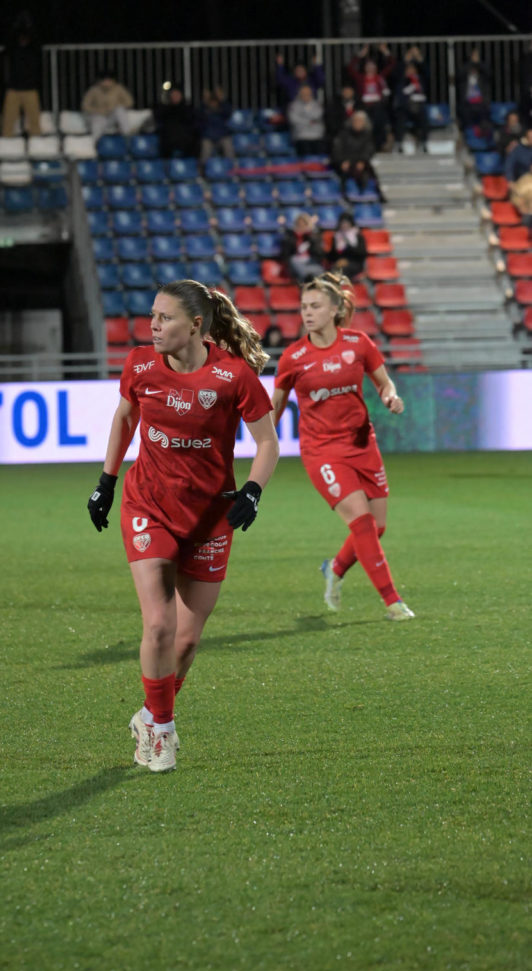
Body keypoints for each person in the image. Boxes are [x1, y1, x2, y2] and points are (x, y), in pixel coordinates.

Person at [87, 279, 279, 772]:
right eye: (152, 316)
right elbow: (125, 418)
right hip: (148, 505)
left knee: (187, 641)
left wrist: (253, 491)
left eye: (164, 318)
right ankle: (163, 732)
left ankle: (150, 714)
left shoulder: (233, 376)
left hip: (210, 517)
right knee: (159, 624)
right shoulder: (139, 364)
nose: (152, 326)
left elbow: (268, 442)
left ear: (195, 325)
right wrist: (107, 482)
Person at [271, 272, 414, 622]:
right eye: (304, 307)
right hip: (322, 452)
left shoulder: (358, 343)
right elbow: (274, 407)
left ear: (335, 310)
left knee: (377, 526)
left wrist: (390, 397)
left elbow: (384, 383)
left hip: (363, 444)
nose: (307, 313)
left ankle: (334, 568)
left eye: (315, 306)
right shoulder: (293, 357)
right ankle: (393, 602)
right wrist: (263, 444)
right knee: (362, 523)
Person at [1, 12, 42, 137]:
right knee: (8, 120)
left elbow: (37, 40)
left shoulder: (33, 49)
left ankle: (36, 141)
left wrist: (29, 26)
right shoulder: (13, 49)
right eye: (21, 37)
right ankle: (6, 140)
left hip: (30, 89)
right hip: (13, 89)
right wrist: (16, 27)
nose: (23, 40)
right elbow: (8, 43)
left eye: (25, 37)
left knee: (34, 120)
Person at [346, 46, 394, 151]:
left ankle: (379, 146)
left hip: (377, 105)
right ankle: (365, 146)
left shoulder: (380, 77)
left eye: (373, 66)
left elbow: (392, 65)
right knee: (365, 125)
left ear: (376, 68)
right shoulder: (361, 78)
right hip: (364, 106)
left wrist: (386, 52)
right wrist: (359, 56)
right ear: (365, 68)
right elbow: (350, 68)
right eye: (368, 66)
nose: (370, 68)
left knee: (379, 122)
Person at [330, 109, 385, 200]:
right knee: (343, 173)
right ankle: (343, 196)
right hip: (344, 163)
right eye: (356, 120)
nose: (358, 123)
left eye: (360, 121)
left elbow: (369, 150)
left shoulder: (367, 135)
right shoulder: (343, 134)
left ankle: (374, 196)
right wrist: (342, 161)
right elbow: (337, 150)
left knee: (368, 172)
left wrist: (362, 161)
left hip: (360, 162)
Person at [81, 70, 134, 143]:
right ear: (100, 81)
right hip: (97, 118)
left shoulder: (119, 89)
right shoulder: (94, 90)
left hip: (111, 118)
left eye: (109, 80)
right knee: (98, 119)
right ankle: (96, 143)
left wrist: (115, 106)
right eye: (104, 80)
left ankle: (128, 138)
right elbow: (85, 105)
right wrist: (98, 111)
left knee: (120, 110)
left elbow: (129, 102)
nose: (107, 82)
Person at [278, 211, 326, 283]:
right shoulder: (290, 236)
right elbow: (286, 254)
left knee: (319, 270)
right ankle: (307, 278)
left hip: (310, 261)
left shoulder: (314, 236)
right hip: (296, 261)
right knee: (294, 261)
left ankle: (310, 277)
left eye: (304, 225)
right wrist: (293, 238)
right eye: (299, 225)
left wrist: (310, 238)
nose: (301, 227)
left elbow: (319, 253)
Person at [394, 60, 429, 152]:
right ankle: (398, 143)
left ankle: (423, 143)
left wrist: (419, 59)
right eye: (408, 69)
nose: (411, 71)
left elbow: (426, 72)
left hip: (418, 107)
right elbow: (401, 94)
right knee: (400, 119)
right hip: (406, 107)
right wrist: (412, 87)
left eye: (412, 69)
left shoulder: (420, 80)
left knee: (424, 118)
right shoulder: (402, 80)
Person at [198, 86, 234, 165]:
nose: (213, 104)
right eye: (211, 102)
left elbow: (228, 112)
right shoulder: (205, 110)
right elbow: (199, 114)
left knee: (228, 146)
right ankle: (202, 168)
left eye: (215, 102)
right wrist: (205, 100)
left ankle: (232, 167)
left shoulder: (222, 110)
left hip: (222, 136)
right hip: (209, 137)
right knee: (205, 148)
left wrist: (222, 99)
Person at [288, 83, 326, 155]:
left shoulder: (317, 104)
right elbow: (293, 119)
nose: (306, 95)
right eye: (303, 93)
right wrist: (310, 121)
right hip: (301, 136)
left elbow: (318, 115)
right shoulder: (294, 105)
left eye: (308, 93)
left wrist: (303, 116)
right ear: (299, 93)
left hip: (317, 136)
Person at [326, 211, 367, 279]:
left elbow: (362, 254)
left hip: (355, 263)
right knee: (331, 272)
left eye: (346, 223)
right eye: (342, 223)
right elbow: (332, 256)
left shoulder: (357, 235)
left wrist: (347, 243)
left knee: (342, 271)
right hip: (339, 263)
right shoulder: (337, 236)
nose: (344, 225)